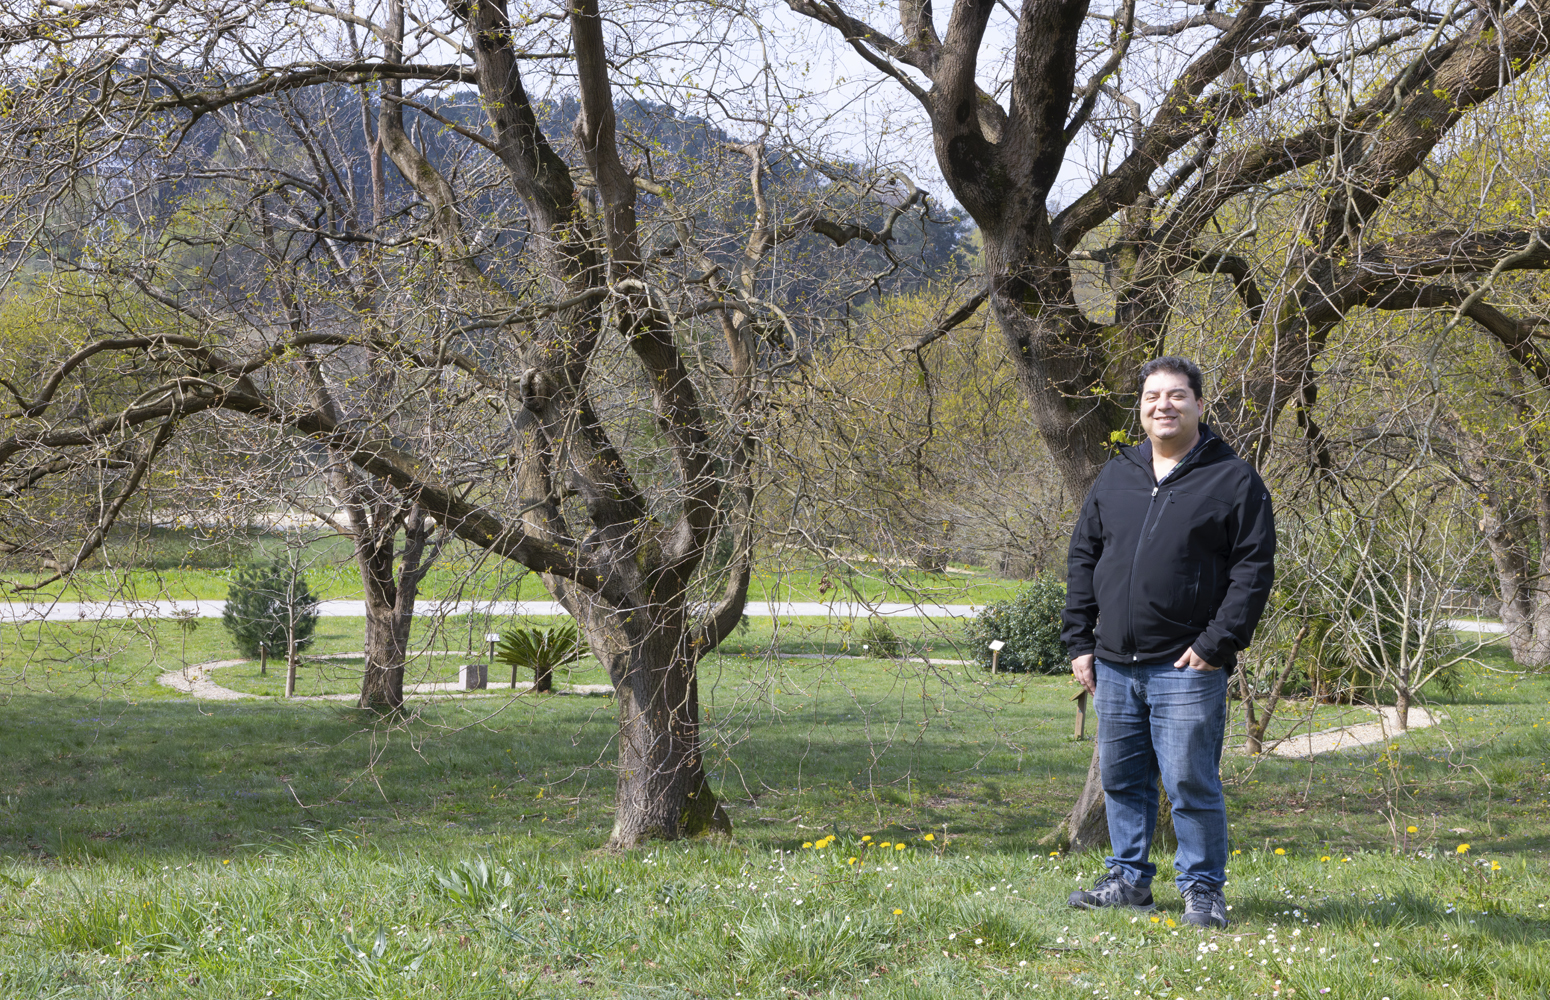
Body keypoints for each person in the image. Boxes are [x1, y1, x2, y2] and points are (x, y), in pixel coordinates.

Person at [1060, 356, 1275, 929]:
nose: (1164, 405)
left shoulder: (1233, 480)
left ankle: (1203, 891)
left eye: (1177, 395)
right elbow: (1083, 559)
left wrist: (1215, 645)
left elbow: (1252, 572)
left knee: (1189, 783)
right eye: (1153, 396)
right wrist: (1080, 642)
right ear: (1141, 408)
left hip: (1187, 666)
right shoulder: (1116, 476)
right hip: (1113, 664)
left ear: (1199, 405)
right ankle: (1129, 881)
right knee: (1122, 781)